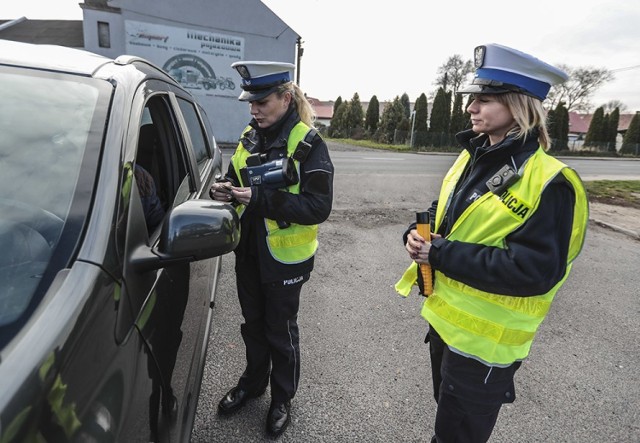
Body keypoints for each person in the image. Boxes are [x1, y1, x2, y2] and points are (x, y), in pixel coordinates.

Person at [395, 43, 589, 443]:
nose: (471, 107)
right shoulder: (475, 155)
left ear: (518, 106)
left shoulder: (551, 182)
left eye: (484, 99)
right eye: (473, 98)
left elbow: (533, 270)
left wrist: (440, 252)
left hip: (487, 348)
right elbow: (446, 212)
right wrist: (419, 236)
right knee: (446, 422)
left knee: (457, 435)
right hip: (446, 326)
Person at [210, 60, 334, 438]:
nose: (254, 109)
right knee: (253, 325)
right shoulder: (250, 135)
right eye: (251, 102)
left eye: (262, 101)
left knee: (280, 331)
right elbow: (234, 178)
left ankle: (282, 398)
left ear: (285, 97)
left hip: (285, 259)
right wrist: (223, 190)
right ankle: (253, 383)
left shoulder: (310, 143)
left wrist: (259, 199)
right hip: (247, 251)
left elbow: (318, 207)